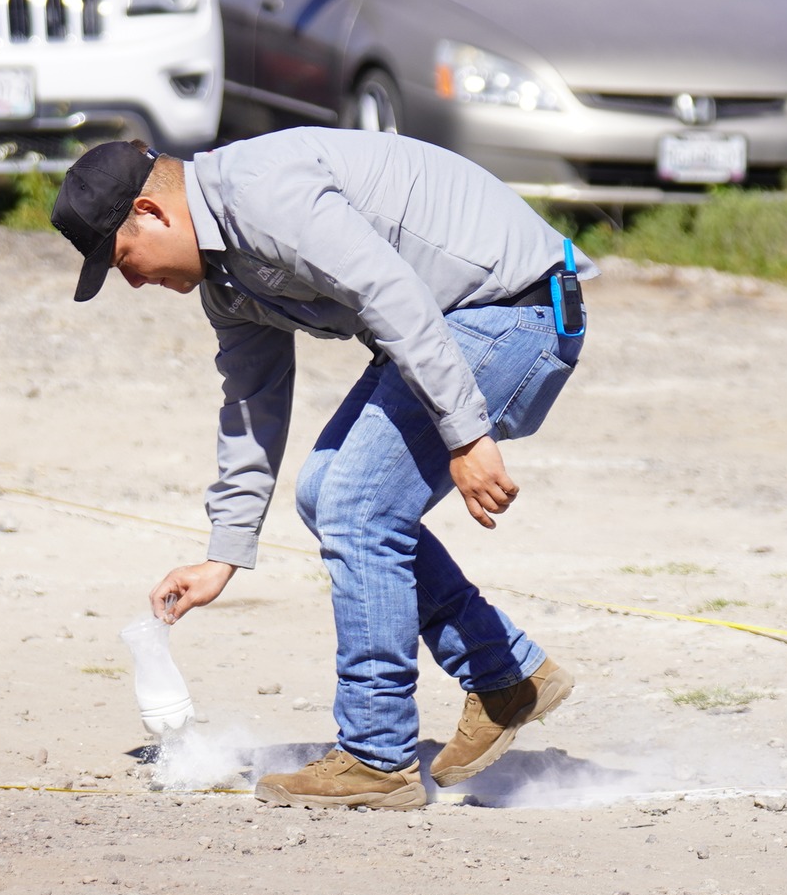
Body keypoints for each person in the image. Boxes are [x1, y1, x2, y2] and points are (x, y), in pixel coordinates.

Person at [51, 130, 589, 810]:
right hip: (458, 323)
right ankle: (505, 675)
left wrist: (466, 434)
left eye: (123, 260)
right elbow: (252, 403)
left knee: (356, 505)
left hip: (514, 312)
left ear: (153, 213)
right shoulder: (225, 275)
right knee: (323, 493)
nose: (132, 281)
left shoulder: (261, 194)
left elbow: (389, 292)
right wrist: (224, 553)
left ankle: (377, 757)